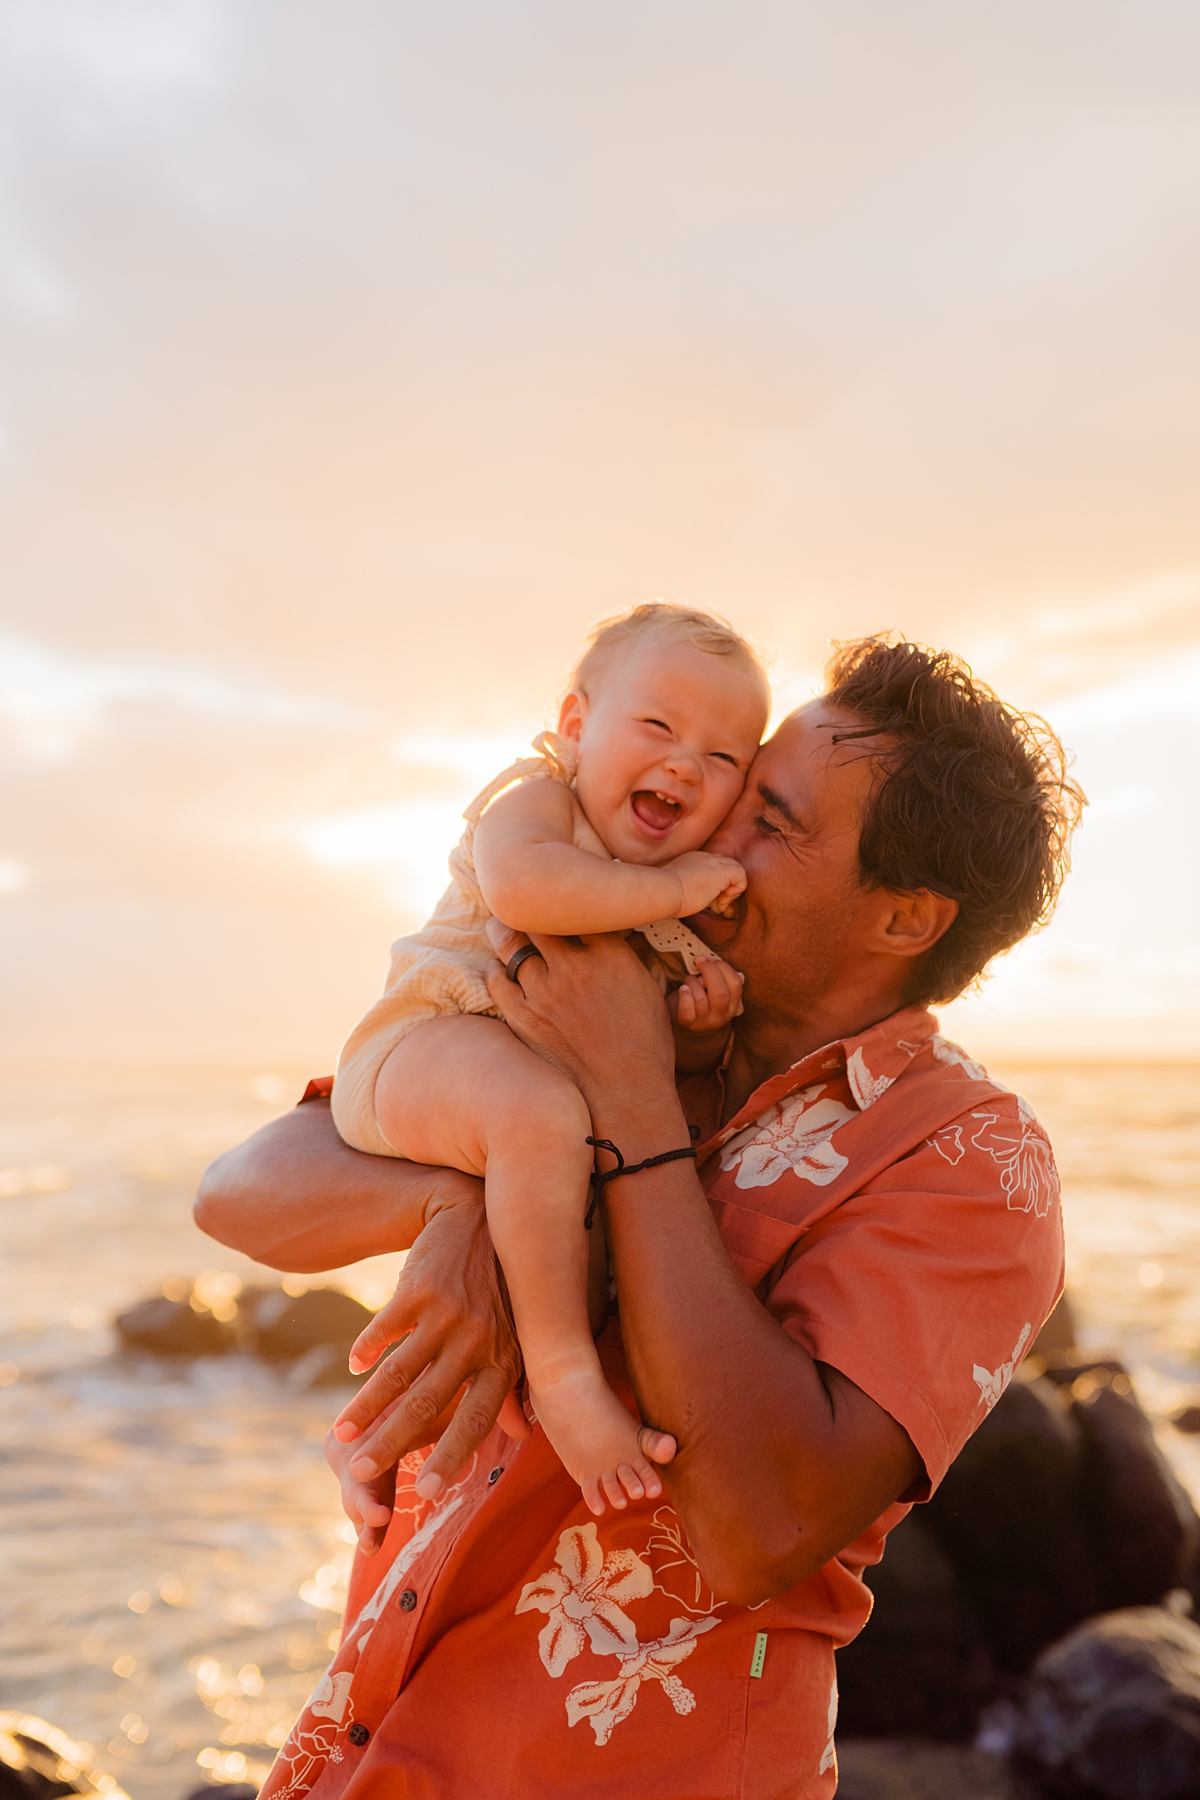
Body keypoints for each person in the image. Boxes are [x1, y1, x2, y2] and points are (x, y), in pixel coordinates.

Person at [196, 635, 1084, 1798]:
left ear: (907, 919)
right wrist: (461, 1200)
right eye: (735, 790)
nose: (715, 831)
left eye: (772, 821)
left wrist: (621, 1093)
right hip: (368, 1749)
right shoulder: (613, 986)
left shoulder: (969, 1160)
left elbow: (762, 1523)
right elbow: (243, 1195)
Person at [328, 604, 770, 1514]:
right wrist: (674, 887)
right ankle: (566, 1381)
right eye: (657, 725)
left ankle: (371, 1446)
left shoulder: (660, 903)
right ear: (575, 727)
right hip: (421, 1042)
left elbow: (636, 1059)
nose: (686, 762)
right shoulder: (540, 801)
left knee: (548, 1213)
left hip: (521, 1097)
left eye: (725, 758)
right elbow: (525, 890)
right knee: (538, 1116)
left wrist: (694, 1022)